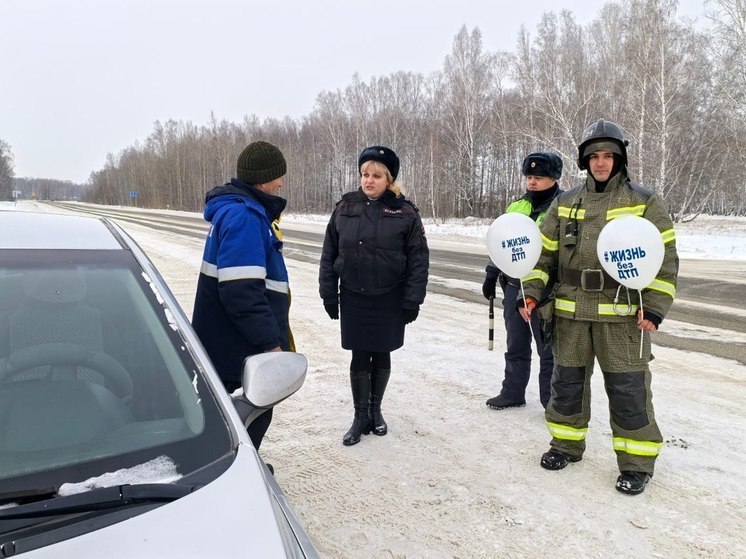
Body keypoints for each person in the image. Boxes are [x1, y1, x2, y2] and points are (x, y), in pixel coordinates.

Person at [517, 119, 679, 495]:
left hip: (623, 318)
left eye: (608, 155)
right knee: (566, 385)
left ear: (620, 158)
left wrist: (654, 308)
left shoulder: (643, 201)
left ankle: (637, 463)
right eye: (594, 156)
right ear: (584, 160)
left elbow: (665, 260)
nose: (601, 163)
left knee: (629, 391)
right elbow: (543, 257)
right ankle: (565, 445)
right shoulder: (567, 201)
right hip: (571, 313)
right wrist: (533, 293)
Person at [319, 146, 429, 446]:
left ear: (389, 179)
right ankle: (360, 416)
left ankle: (376, 412)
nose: (369, 180)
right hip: (354, 295)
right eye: (365, 175)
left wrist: (412, 299)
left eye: (377, 175)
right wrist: (328, 293)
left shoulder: (404, 212)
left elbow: (418, 258)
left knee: (381, 353)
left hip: (389, 297)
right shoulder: (344, 208)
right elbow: (329, 252)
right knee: (359, 354)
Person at [192, 140, 293, 453]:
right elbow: (242, 293)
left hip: (230, 343)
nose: (281, 182)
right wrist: (271, 345)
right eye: (278, 176)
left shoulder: (238, 212)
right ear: (262, 179)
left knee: (231, 418)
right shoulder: (246, 218)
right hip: (241, 348)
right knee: (250, 416)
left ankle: (237, 465)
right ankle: (240, 473)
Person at [482, 152, 563, 411]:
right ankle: (512, 392)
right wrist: (492, 272)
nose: (532, 182)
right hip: (514, 285)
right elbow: (503, 242)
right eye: (529, 177)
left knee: (547, 350)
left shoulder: (563, 207)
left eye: (538, 177)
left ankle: (550, 401)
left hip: (546, 289)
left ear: (554, 178)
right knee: (515, 344)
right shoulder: (517, 208)